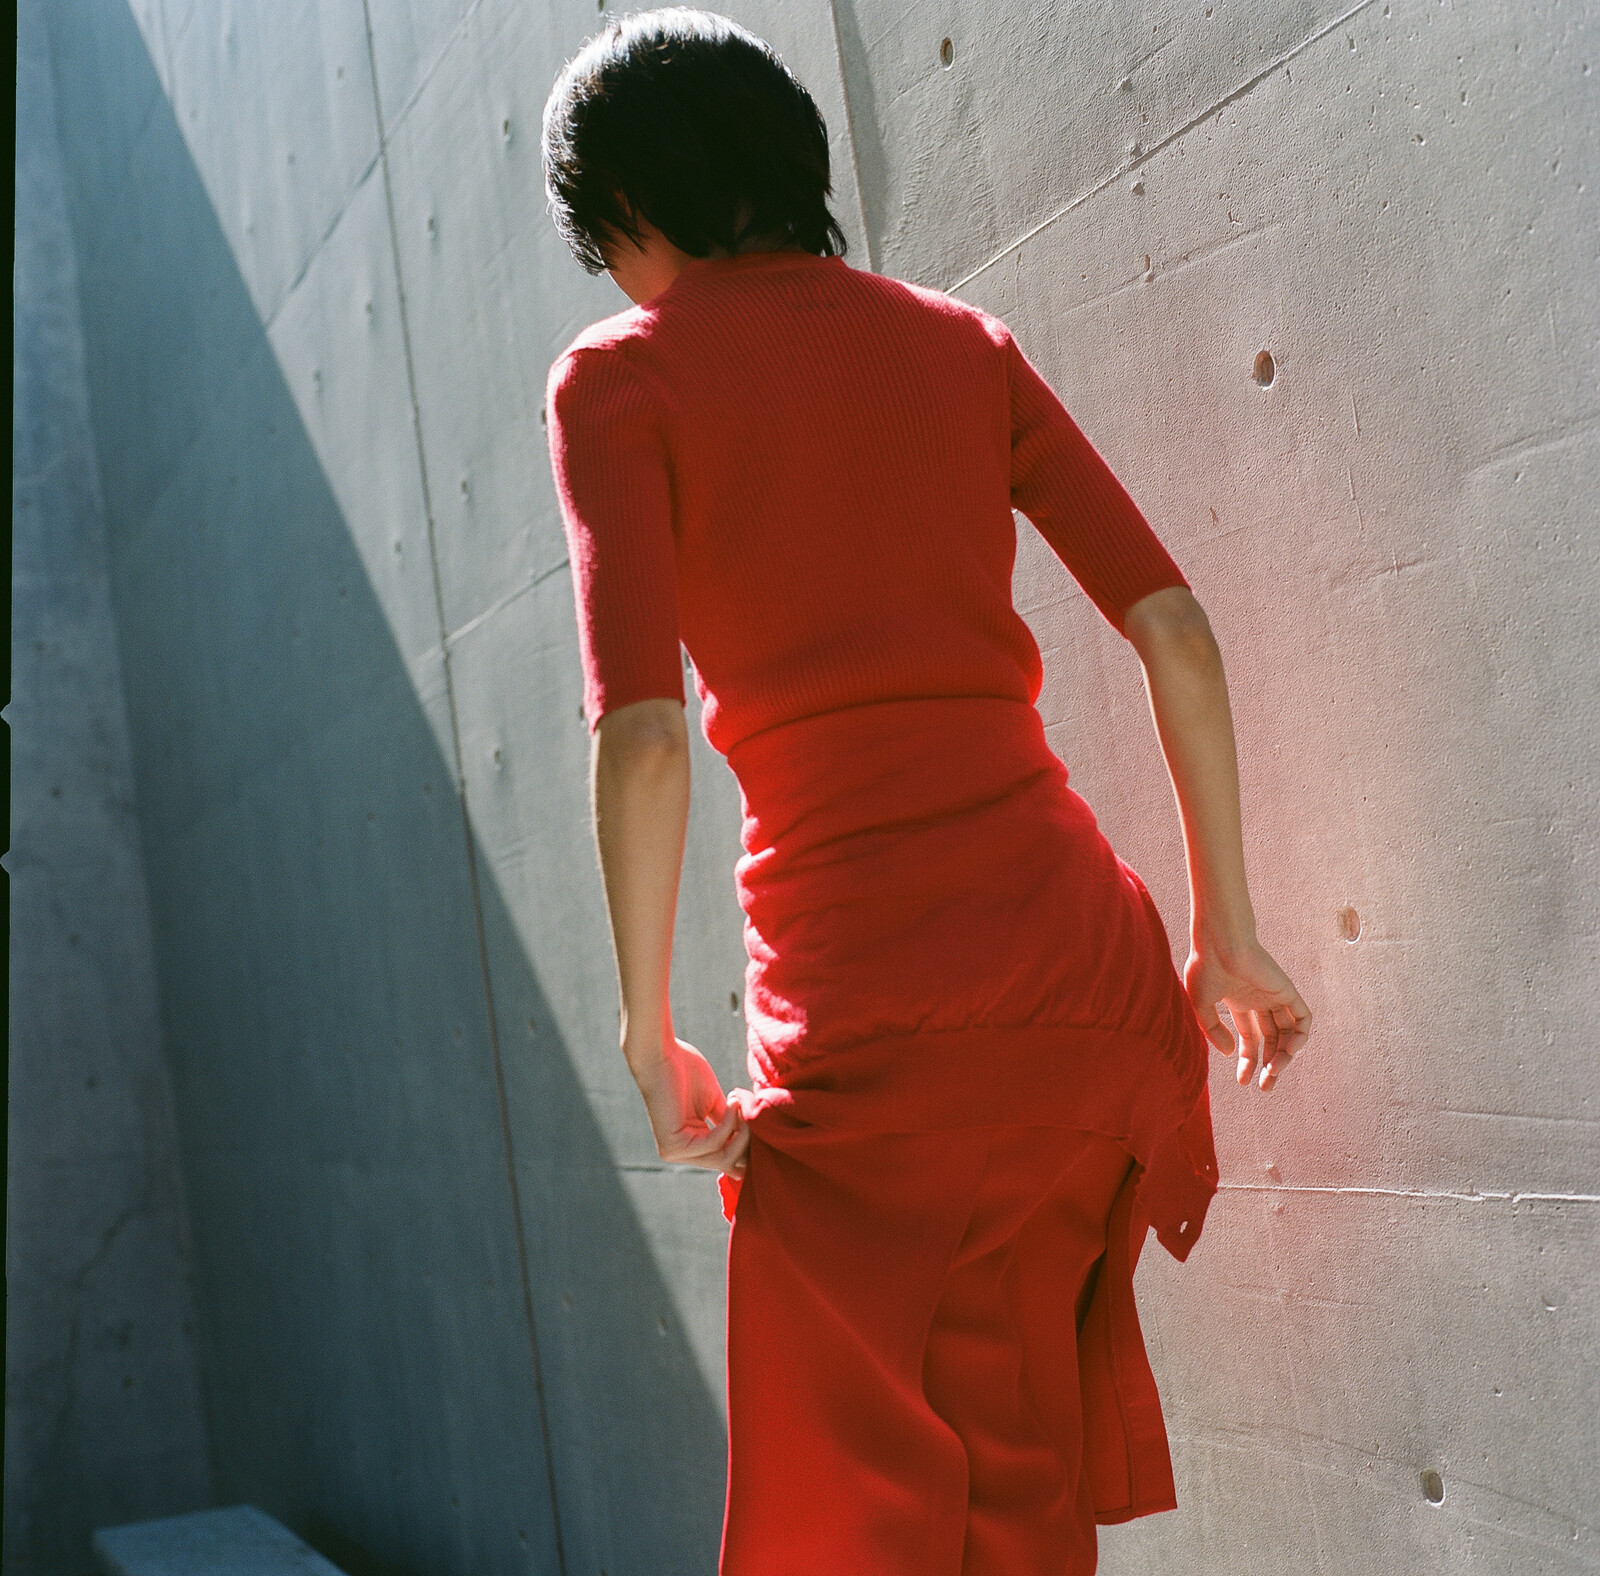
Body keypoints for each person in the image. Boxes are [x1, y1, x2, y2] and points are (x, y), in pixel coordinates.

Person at [541, 11, 1311, 1575]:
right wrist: (1225, 933)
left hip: (873, 1017)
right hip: (1087, 993)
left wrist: (646, 1033)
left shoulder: (620, 381)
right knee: (1013, 1499)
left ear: (626, 208)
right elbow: (1174, 626)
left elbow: (645, 735)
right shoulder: (963, 344)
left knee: (850, 1528)